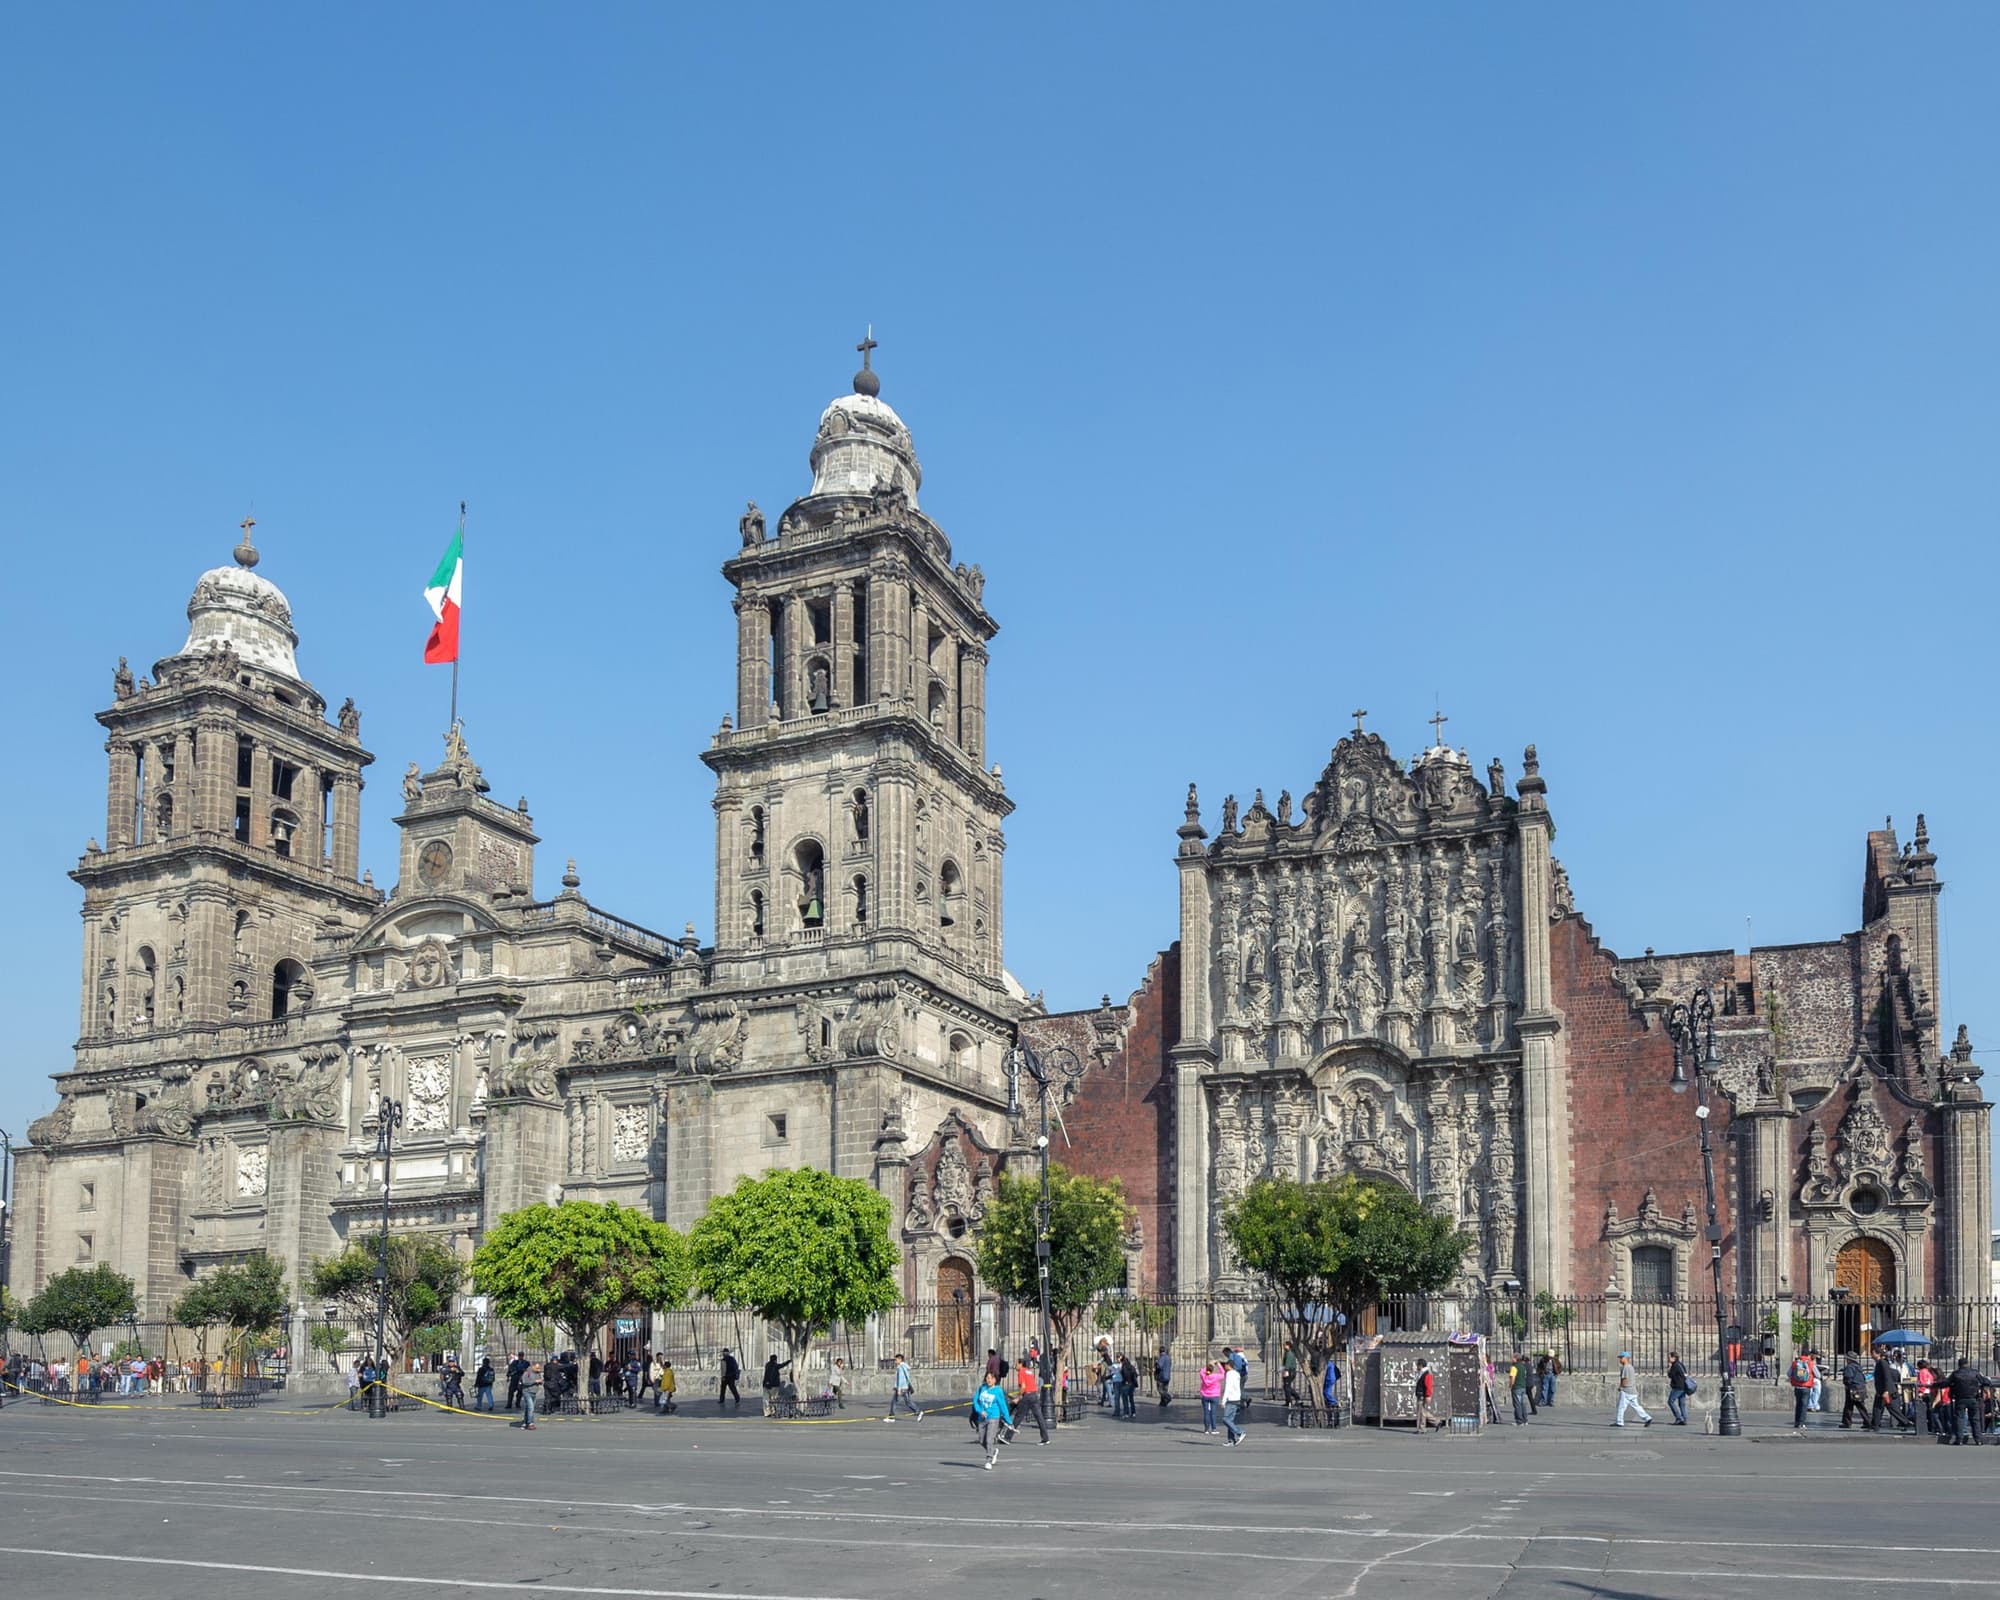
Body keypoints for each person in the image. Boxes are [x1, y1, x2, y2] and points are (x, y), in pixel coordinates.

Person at [972, 1372, 1014, 1469]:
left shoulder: (998, 1391)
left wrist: (1009, 1421)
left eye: (991, 1378)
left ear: (995, 1380)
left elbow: (1003, 1406)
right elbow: (975, 1401)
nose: (989, 1380)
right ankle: (993, 1451)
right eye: (987, 1378)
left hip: (993, 1417)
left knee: (989, 1439)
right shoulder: (982, 1388)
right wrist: (979, 1411)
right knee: (981, 1440)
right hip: (982, 1418)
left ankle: (989, 1460)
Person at [1871, 1348, 1914, 1433]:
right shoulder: (1879, 1363)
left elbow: (1887, 1377)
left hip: (1885, 1391)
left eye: (1873, 1353)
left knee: (1881, 1408)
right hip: (1882, 1390)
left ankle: (1875, 1425)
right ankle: (1875, 1425)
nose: (1871, 1355)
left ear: (1878, 1354)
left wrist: (1886, 1390)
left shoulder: (1882, 1363)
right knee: (1886, 1409)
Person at [1946, 1357, 1987, 1445]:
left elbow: (1946, 1382)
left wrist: (1936, 1385)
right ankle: (1978, 1440)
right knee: (1975, 1420)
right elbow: (1984, 1381)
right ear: (1968, 1364)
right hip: (1973, 1398)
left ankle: (1959, 1440)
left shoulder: (1955, 1374)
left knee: (1959, 1419)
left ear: (1959, 1365)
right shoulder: (1975, 1372)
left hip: (1960, 1399)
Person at [1017, 1345, 1049, 1444]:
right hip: (1034, 1394)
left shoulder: (1021, 1372)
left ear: (1020, 1364)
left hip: (1027, 1396)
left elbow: (1023, 1386)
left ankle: (1006, 1436)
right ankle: (1045, 1438)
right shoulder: (1029, 1372)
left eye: (1016, 1364)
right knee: (1039, 1417)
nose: (1015, 1366)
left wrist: (1018, 1397)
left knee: (1018, 1416)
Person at [1614, 1352, 1654, 1428]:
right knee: (1636, 1406)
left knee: (1621, 1407)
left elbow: (1625, 1379)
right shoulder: (1630, 1367)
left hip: (1626, 1391)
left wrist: (1621, 1387)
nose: (1620, 1359)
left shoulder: (1626, 1367)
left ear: (1626, 1358)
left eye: (1621, 1357)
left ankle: (1619, 1422)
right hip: (1633, 1390)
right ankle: (1647, 1418)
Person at [1839, 1353, 1871, 1430]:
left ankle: (1847, 1422)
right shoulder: (1859, 1367)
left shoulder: (1850, 1367)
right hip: (1861, 1388)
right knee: (1860, 1406)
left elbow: (1848, 1378)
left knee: (1849, 1406)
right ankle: (1867, 1422)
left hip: (1853, 1388)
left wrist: (1847, 1385)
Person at [1221, 1353, 1247, 1446]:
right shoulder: (1236, 1374)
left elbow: (1228, 1387)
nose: (1224, 1367)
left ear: (1229, 1365)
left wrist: (1223, 1400)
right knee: (1230, 1421)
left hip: (1231, 1399)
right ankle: (1231, 1440)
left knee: (1225, 1419)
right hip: (1236, 1398)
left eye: (1225, 1365)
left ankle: (1239, 1432)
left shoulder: (1229, 1374)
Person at [1787, 1348, 1816, 1432]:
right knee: (1804, 1406)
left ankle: (1796, 1422)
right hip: (1806, 1387)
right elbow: (1817, 1374)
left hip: (1797, 1387)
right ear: (1808, 1355)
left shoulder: (1796, 1363)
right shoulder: (1810, 1363)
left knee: (1798, 1405)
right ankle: (1801, 1423)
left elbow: (1788, 1374)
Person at [887, 1353, 922, 1420]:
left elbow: (900, 1378)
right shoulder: (904, 1366)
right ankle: (918, 1412)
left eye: (896, 1359)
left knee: (894, 1402)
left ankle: (891, 1417)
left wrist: (899, 1389)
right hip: (905, 1387)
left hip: (902, 1388)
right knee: (908, 1402)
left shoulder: (900, 1367)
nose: (895, 1361)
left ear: (900, 1359)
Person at [1664, 1352, 1690, 1426]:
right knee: (1682, 1404)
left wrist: (1669, 1367)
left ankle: (1679, 1418)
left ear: (1674, 1358)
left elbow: (1670, 1375)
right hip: (1683, 1386)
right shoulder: (1680, 1364)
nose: (1668, 1359)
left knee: (1670, 1401)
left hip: (1678, 1387)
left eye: (1669, 1357)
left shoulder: (1675, 1365)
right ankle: (1684, 1419)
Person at [1414, 1359, 1439, 1433]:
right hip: (1421, 1394)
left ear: (1421, 1365)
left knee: (1421, 1412)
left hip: (1423, 1395)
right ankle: (1437, 1422)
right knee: (1422, 1412)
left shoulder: (1427, 1373)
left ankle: (1422, 1428)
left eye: (1417, 1365)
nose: (1416, 1366)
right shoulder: (1421, 1372)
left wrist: (1428, 1396)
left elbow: (1428, 1386)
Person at [1199, 1360, 1223, 1435]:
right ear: (1213, 1370)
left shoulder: (1204, 1376)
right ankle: (1213, 1429)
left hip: (1205, 1395)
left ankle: (1206, 1429)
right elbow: (1223, 1373)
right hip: (1214, 1395)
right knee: (1213, 1413)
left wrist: (1208, 1365)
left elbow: (1201, 1371)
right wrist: (1218, 1364)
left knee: (1206, 1413)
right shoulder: (1216, 1376)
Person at [1509, 1353, 1533, 1424]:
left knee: (1517, 1404)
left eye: (1512, 1358)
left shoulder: (1514, 1367)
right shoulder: (1523, 1366)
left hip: (1517, 1387)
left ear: (1515, 1359)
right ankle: (1525, 1419)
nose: (1511, 1359)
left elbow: (1512, 1378)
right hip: (1523, 1386)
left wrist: (1510, 1385)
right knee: (1523, 1404)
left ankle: (1519, 1420)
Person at [1321, 1350, 1342, 1424]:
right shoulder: (1329, 1362)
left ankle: (1334, 1403)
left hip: (1329, 1379)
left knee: (1326, 1392)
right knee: (1326, 1391)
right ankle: (1330, 1402)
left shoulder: (1327, 1363)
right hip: (1331, 1378)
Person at [521, 1360, 542, 1430]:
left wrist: (540, 1381)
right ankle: (530, 1423)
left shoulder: (537, 1373)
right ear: (533, 1367)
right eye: (537, 1368)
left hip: (534, 1392)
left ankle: (525, 1422)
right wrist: (535, 1381)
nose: (539, 1369)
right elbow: (524, 1382)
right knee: (531, 1407)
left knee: (528, 1408)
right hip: (527, 1392)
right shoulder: (527, 1372)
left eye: (539, 1368)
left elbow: (539, 1380)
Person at [1117, 1353, 1139, 1418]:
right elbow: (1136, 1374)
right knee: (1131, 1399)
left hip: (1126, 1384)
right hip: (1132, 1384)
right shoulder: (1131, 1366)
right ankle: (1133, 1412)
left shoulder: (1124, 1366)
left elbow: (1125, 1374)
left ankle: (1126, 1413)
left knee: (1125, 1399)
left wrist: (1125, 1380)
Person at [1280, 1340, 1300, 1406]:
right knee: (1286, 1386)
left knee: (1287, 1387)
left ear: (1288, 1346)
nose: (1283, 1346)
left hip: (1289, 1371)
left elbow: (1287, 1364)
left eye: (1284, 1345)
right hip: (1289, 1371)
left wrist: (1285, 1371)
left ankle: (1290, 1400)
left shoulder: (1289, 1354)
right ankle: (1291, 1400)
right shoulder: (1287, 1353)